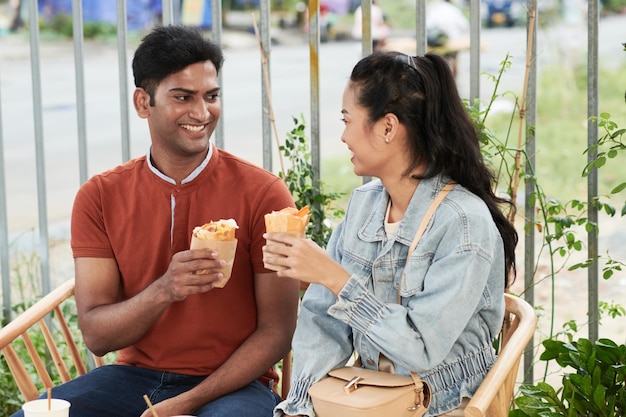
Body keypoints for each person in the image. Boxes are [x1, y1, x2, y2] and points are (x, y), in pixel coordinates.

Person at [11, 25, 300, 417]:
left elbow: (277, 332)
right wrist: (166, 289)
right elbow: (97, 335)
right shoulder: (100, 197)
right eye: (183, 97)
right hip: (134, 378)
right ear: (143, 102)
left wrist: (185, 403)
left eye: (211, 96)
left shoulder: (263, 194)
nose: (202, 113)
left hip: (235, 384)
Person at [265, 52, 518, 417]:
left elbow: (420, 347)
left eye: (347, 120)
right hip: (372, 401)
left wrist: (334, 278)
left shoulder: (463, 223)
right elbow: (322, 322)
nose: (343, 136)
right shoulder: (363, 206)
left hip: (443, 406)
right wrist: (302, 406)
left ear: (387, 128)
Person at [426, 0, 470, 77]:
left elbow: (427, 26)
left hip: (434, 43)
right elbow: (464, 26)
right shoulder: (454, 9)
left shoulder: (431, 8)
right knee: (453, 58)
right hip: (452, 41)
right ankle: (453, 80)